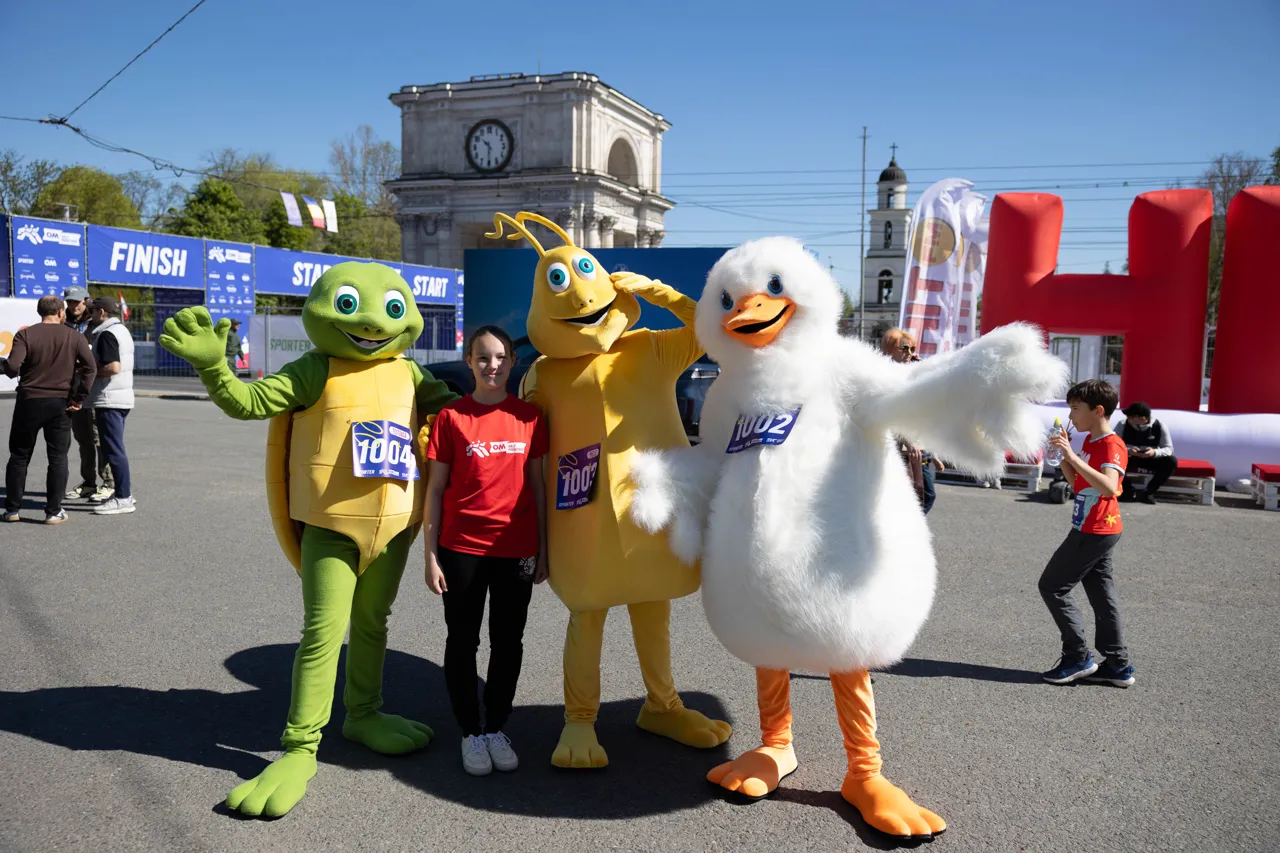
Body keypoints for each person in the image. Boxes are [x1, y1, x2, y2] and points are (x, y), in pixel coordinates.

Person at [424, 325, 549, 777]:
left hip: (517, 548)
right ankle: (470, 732)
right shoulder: (451, 417)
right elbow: (434, 490)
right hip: (461, 548)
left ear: (512, 362)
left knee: (508, 641)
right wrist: (429, 555)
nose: (491, 365)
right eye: (482, 357)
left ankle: (496, 726)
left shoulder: (530, 418)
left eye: (499, 357)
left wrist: (544, 549)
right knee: (462, 641)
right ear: (469, 361)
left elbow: (538, 486)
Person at [1038, 379, 1135, 688]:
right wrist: (1064, 455)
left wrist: (1072, 455)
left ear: (1098, 410)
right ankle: (1117, 665)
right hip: (1093, 526)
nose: (1071, 416)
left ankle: (1078, 657)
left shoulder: (1111, 444)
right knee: (1102, 596)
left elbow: (1109, 487)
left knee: (1052, 586)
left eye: (1076, 409)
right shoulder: (1091, 441)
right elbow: (1079, 482)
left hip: (1096, 529)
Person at [1, 295, 97, 524]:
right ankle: (53, 511)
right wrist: (79, 398)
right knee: (57, 457)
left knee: (19, 456)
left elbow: (12, 368)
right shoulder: (74, 336)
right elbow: (90, 368)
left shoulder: (25, 334)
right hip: (60, 403)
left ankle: (12, 510)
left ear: (40, 312)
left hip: (28, 401)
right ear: (61, 312)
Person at [879, 328, 948, 511]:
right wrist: (909, 443)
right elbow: (895, 415)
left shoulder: (911, 375)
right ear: (890, 350)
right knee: (913, 497)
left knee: (922, 497)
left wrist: (934, 456)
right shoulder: (887, 377)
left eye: (912, 349)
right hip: (899, 449)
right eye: (904, 348)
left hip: (917, 450)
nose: (909, 353)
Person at [61, 286, 114, 502]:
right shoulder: (63, 322)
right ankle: (88, 483)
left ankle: (109, 483)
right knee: (83, 439)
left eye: (77, 302)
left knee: (99, 438)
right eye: (69, 302)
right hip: (72, 389)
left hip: (94, 389)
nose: (73, 306)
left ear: (86, 300)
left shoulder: (97, 323)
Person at [85, 296, 136, 516]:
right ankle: (125, 494)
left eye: (92, 311)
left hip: (109, 397)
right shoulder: (121, 330)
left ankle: (123, 497)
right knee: (114, 448)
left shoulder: (107, 334)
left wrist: (88, 371)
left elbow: (113, 367)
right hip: (119, 396)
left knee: (113, 450)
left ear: (102, 312)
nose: (90, 315)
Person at [1117, 401, 1176, 504]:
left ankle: (1148, 492)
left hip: (1149, 458)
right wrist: (1128, 450)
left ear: (1143, 418)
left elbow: (1168, 449)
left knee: (1171, 461)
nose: (1128, 419)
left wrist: (1154, 452)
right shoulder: (1122, 424)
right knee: (1110, 459)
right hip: (1129, 457)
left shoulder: (1159, 426)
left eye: (1131, 417)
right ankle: (1127, 491)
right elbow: (1113, 445)